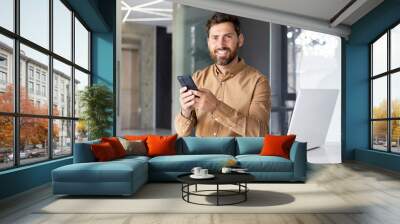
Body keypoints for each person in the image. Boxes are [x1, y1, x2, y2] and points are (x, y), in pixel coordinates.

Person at [175, 13, 271, 137]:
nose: (221, 44)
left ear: (240, 40)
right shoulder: (198, 78)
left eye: (228, 37)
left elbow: (260, 133)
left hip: (236, 156)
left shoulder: (258, 82)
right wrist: (185, 111)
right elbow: (182, 132)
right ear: (208, 42)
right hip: (203, 155)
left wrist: (216, 107)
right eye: (215, 38)